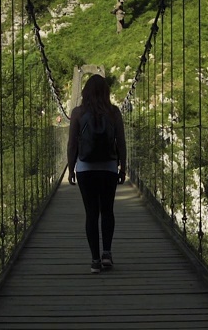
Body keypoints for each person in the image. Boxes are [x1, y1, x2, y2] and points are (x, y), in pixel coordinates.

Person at [67, 74, 127, 274]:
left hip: (85, 168)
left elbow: (72, 144)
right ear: (106, 92)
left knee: (91, 213)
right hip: (109, 167)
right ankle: (107, 254)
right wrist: (123, 167)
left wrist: (70, 168)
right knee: (107, 210)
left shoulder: (77, 112)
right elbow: (121, 142)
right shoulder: (114, 112)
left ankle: (95, 260)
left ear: (85, 92)